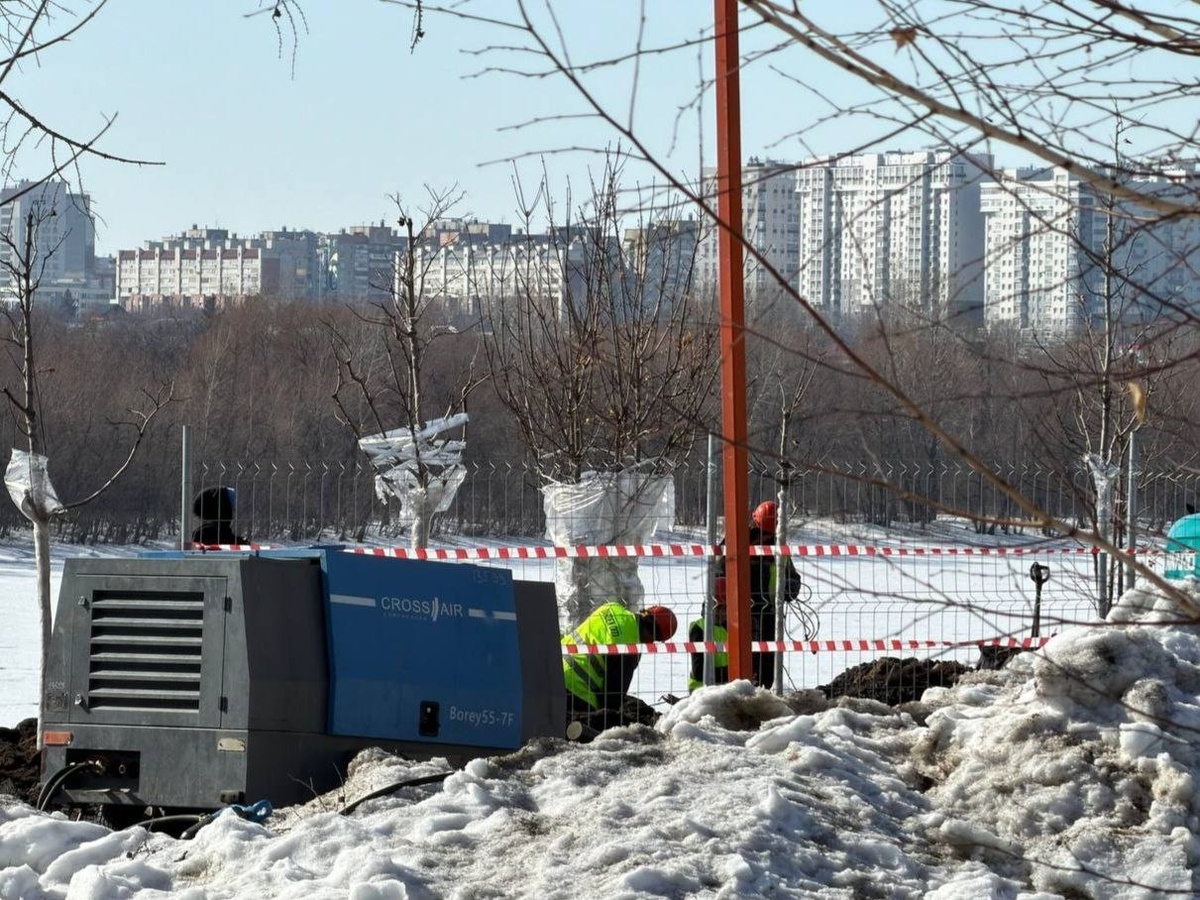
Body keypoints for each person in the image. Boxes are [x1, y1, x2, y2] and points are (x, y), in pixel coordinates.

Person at [714, 500, 802, 689]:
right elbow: (719, 573)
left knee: (763, 666)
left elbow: (792, 578)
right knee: (744, 663)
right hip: (739, 615)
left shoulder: (778, 547)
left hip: (767, 614)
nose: (767, 537)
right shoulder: (738, 539)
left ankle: (759, 693)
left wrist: (787, 590)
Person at [562, 602, 677, 732]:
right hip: (576, 692)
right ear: (654, 636)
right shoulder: (629, 648)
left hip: (552, 668)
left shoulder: (611, 607)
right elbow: (612, 699)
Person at [687, 576, 729, 693]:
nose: (722, 612)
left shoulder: (733, 627)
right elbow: (699, 672)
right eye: (719, 607)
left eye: (726, 607)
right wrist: (734, 672)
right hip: (702, 690)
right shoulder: (699, 629)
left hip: (728, 687)